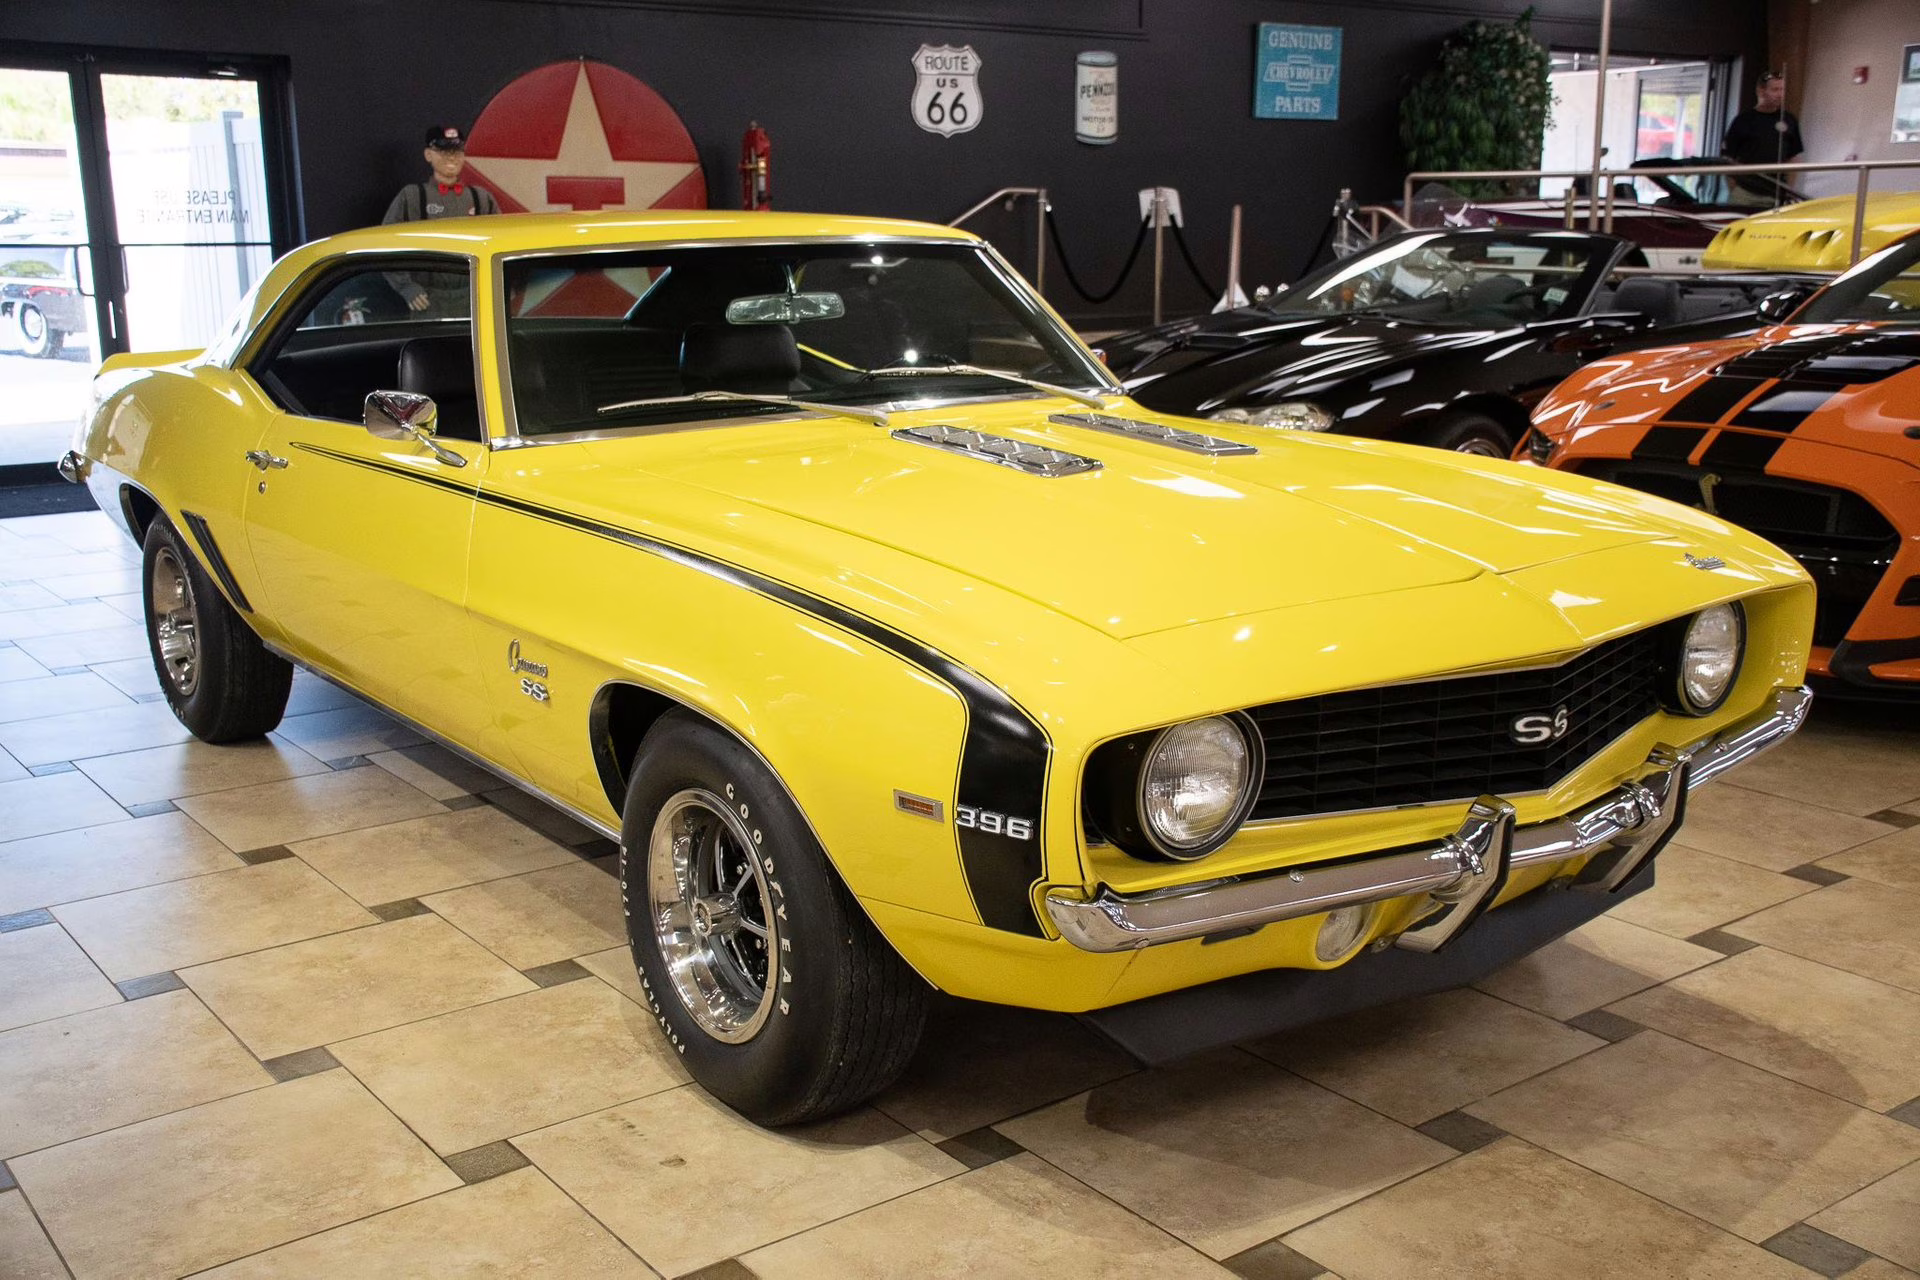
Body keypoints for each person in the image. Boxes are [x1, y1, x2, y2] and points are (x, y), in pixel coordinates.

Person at [381, 125, 499, 311]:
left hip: (475, 298)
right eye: (443, 151)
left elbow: (499, 247)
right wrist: (406, 286)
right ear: (428, 154)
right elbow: (384, 243)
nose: (451, 157)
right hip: (427, 300)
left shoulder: (481, 199)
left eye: (457, 151)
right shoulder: (412, 197)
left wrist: (500, 288)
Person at [1722, 73, 1803, 207]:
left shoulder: (1789, 120)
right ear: (1761, 91)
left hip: (1777, 192)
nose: (1779, 94)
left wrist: (1789, 189)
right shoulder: (1743, 120)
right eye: (1775, 90)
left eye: (1782, 89)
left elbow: (1793, 157)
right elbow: (1728, 159)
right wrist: (1734, 187)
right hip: (1745, 192)